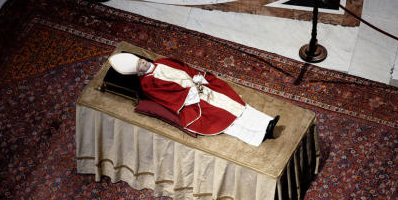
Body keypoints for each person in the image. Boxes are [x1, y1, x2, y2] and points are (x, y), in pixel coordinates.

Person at [108, 52, 279, 146]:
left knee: (236, 104)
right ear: (138, 72)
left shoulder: (161, 61)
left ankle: (267, 122)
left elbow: (184, 68)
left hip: (200, 86)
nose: (145, 63)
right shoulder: (147, 83)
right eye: (141, 66)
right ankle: (259, 135)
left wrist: (197, 78)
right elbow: (166, 98)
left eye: (142, 61)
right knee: (224, 117)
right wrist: (192, 93)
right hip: (190, 102)